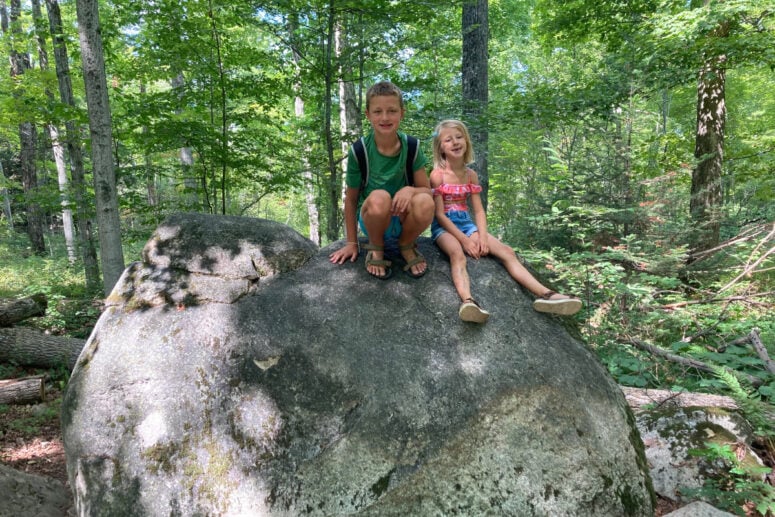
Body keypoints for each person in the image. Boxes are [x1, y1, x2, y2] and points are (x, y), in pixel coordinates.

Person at [429, 119, 581, 322]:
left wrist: (482, 237)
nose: (455, 142)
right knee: (457, 253)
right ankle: (468, 302)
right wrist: (465, 241)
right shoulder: (438, 175)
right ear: (440, 147)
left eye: (459, 137)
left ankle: (547, 295)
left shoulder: (470, 175)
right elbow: (439, 214)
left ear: (466, 141)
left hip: (467, 224)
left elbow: (479, 211)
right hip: (444, 227)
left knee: (507, 251)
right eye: (448, 140)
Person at [329, 81, 434, 279]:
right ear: (368, 115)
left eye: (392, 111)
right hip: (374, 218)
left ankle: (406, 245)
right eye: (378, 111)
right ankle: (376, 248)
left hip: (404, 219)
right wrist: (352, 243)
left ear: (402, 113)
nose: (385, 117)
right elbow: (351, 200)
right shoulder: (359, 151)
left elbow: (427, 190)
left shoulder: (412, 147)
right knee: (380, 197)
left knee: (425, 201)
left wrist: (409, 190)